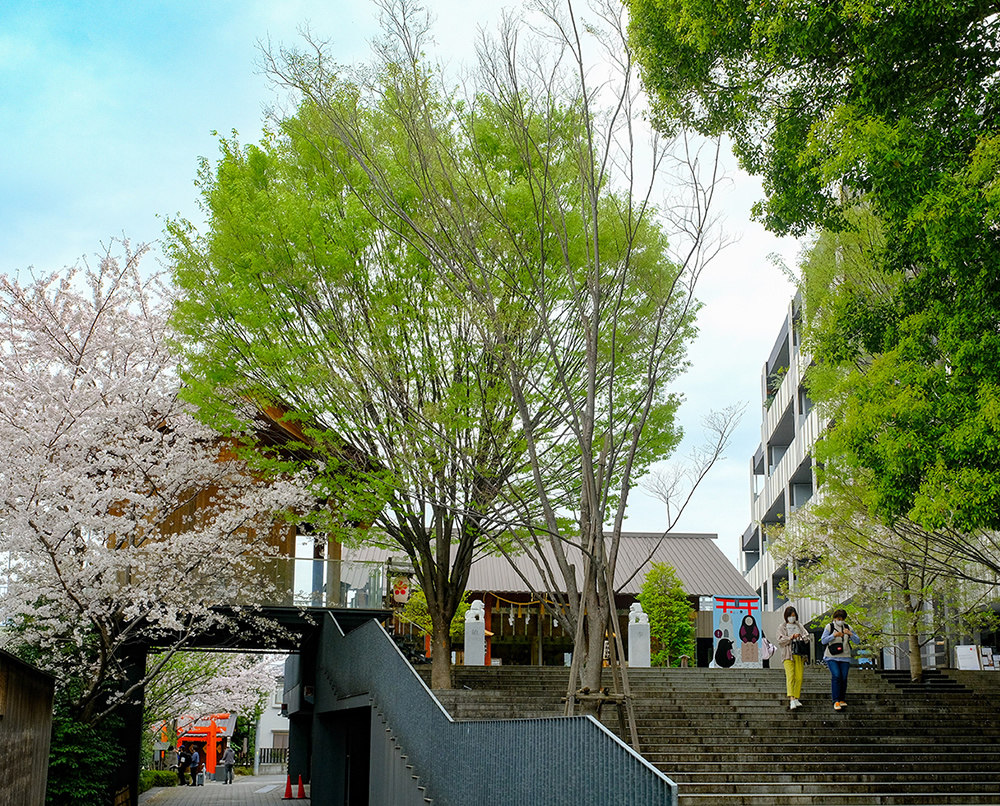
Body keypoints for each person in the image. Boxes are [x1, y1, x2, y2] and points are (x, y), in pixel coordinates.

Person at [822, 608, 861, 711]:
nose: (840, 620)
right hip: (831, 656)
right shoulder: (829, 626)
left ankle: (842, 699)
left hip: (845, 656)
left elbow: (857, 641)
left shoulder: (848, 627)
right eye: (839, 618)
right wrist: (834, 635)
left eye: (842, 618)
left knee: (843, 678)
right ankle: (836, 700)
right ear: (834, 618)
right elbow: (823, 640)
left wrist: (850, 634)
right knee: (836, 675)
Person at [776, 605, 808, 710]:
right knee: (790, 676)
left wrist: (800, 637)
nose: (792, 618)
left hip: (799, 654)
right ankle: (792, 699)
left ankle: (796, 697)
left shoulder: (800, 626)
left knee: (799, 677)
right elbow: (780, 640)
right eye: (790, 616)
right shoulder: (782, 627)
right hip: (787, 654)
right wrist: (790, 638)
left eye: (793, 616)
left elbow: (807, 637)